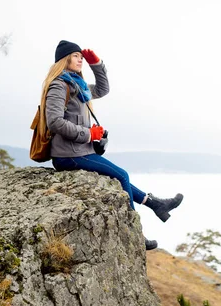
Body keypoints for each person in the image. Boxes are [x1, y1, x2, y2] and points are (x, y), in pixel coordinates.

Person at [42, 40, 183, 250]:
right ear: (64, 60)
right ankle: (136, 233)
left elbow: (102, 89)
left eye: (81, 56)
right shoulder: (58, 86)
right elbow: (54, 121)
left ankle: (156, 205)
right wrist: (88, 134)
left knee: (117, 176)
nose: (80, 58)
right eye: (75, 55)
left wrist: (96, 64)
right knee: (122, 175)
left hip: (80, 150)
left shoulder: (77, 87)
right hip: (68, 154)